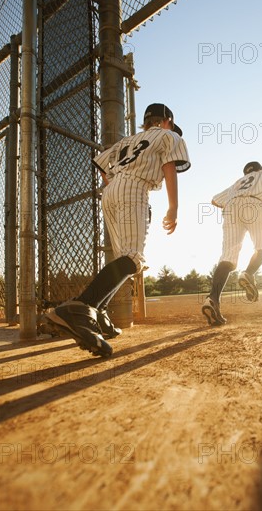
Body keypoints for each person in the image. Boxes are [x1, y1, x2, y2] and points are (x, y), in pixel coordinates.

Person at [44, 103, 191, 356]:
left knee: (124, 257)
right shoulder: (169, 135)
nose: (172, 128)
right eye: (171, 124)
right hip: (135, 189)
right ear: (166, 120)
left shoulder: (128, 140)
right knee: (133, 258)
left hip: (111, 192)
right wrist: (173, 207)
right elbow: (169, 168)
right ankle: (81, 307)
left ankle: (98, 312)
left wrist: (116, 184)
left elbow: (102, 165)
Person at [202, 148, 262, 326]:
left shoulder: (236, 183)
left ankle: (212, 299)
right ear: (257, 169)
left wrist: (233, 205)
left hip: (231, 207)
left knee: (227, 258)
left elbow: (214, 200)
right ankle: (248, 273)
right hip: (254, 204)